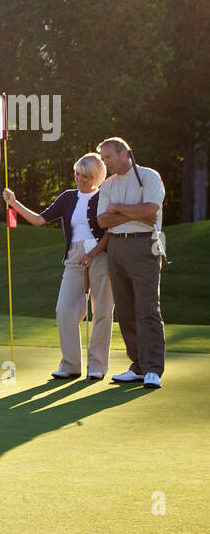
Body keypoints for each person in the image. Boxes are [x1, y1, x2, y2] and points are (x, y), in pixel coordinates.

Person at [3, 153, 113, 380]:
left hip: (101, 255)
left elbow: (111, 231)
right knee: (65, 309)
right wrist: (14, 203)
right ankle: (71, 365)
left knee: (102, 310)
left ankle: (98, 366)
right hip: (73, 256)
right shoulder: (68, 197)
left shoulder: (106, 196)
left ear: (96, 176)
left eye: (84, 175)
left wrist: (93, 253)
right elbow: (39, 220)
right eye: (76, 173)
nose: (78, 179)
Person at [94, 137, 166, 389]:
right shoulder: (107, 185)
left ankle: (153, 369)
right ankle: (137, 365)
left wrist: (117, 209)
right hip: (116, 247)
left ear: (125, 153)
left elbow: (150, 213)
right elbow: (102, 221)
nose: (106, 162)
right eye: (102, 158)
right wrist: (131, 211)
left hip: (144, 244)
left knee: (147, 308)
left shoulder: (149, 177)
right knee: (125, 310)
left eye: (109, 157)